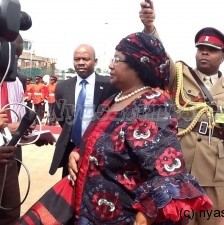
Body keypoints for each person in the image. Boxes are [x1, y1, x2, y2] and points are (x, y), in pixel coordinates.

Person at [67, 32, 212, 225]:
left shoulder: (151, 105)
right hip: (93, 212)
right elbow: (101, 141)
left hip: (123, 217)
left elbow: (166, 173)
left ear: (138, 66)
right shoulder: (114, 100)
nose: (111, 65)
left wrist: (143, 219)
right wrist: (78, 153)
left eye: (117, 59)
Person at [139, 2, 224, 225]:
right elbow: (160, 57)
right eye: (200, 48)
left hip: (213, 172)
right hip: (179, 166)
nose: (204, 52)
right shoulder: (180, 74)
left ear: (223, 56)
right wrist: (150, 27)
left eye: (212, 50)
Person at [49, 44, 118, 178]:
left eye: (85, 59)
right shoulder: (62, 87)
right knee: (68, 190)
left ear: (95, 61)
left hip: (98, 149)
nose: (80, 62)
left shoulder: (110, 85)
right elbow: (62, 117)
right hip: (71, 148)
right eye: (77, 59)